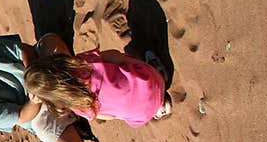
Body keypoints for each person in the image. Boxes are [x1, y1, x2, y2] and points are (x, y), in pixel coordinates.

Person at [24, 48, 172, 127]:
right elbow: (116, 55)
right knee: (126, 61)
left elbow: (110, 117)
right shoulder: (83, 63)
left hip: (143, 114)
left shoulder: (78, 106)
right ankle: (158, 74)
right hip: (151, 81)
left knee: (119, 109)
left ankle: (159, 108)